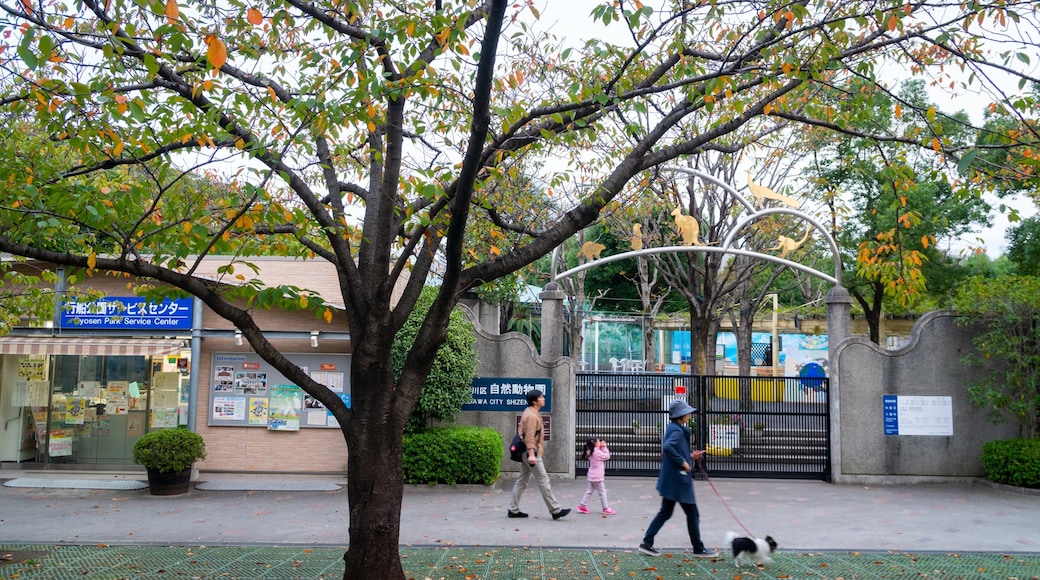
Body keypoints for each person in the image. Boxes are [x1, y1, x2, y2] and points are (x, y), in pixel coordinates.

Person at [637, 399, 718, 558]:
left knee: (666, 512)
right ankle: (698, 548)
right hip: (678, 482)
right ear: (680, 415)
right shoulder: (677, 430)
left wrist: (689, 456)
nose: (689, 414)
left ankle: (647, 543)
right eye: (686, 412)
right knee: (692, 513)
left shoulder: (674, 428)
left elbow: (671, 448)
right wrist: (683, 462)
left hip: (673, 481)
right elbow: (668, 447)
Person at [507, 389, 571, 520]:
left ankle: (513, 510)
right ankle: (555, 510)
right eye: (541, 397)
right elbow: (529, 437)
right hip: (530, 452)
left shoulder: (531, 412)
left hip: (527, 451)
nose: (544, 399)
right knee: (543, 479)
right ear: (535, 401)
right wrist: (531, 454)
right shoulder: (531, 416)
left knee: (522, 481)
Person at [577, 437, 615, 515]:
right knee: (602, 492)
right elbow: (607, 456)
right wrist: (604, 447)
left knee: (589, 491)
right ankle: (605, 508)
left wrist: (600, 447)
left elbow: (598, 452)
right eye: (598, 441)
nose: (599, 442)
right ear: (595, 444)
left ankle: (582, 505)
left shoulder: (591, 451)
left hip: (592, 476)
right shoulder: (597, 452)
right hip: (597, 477)